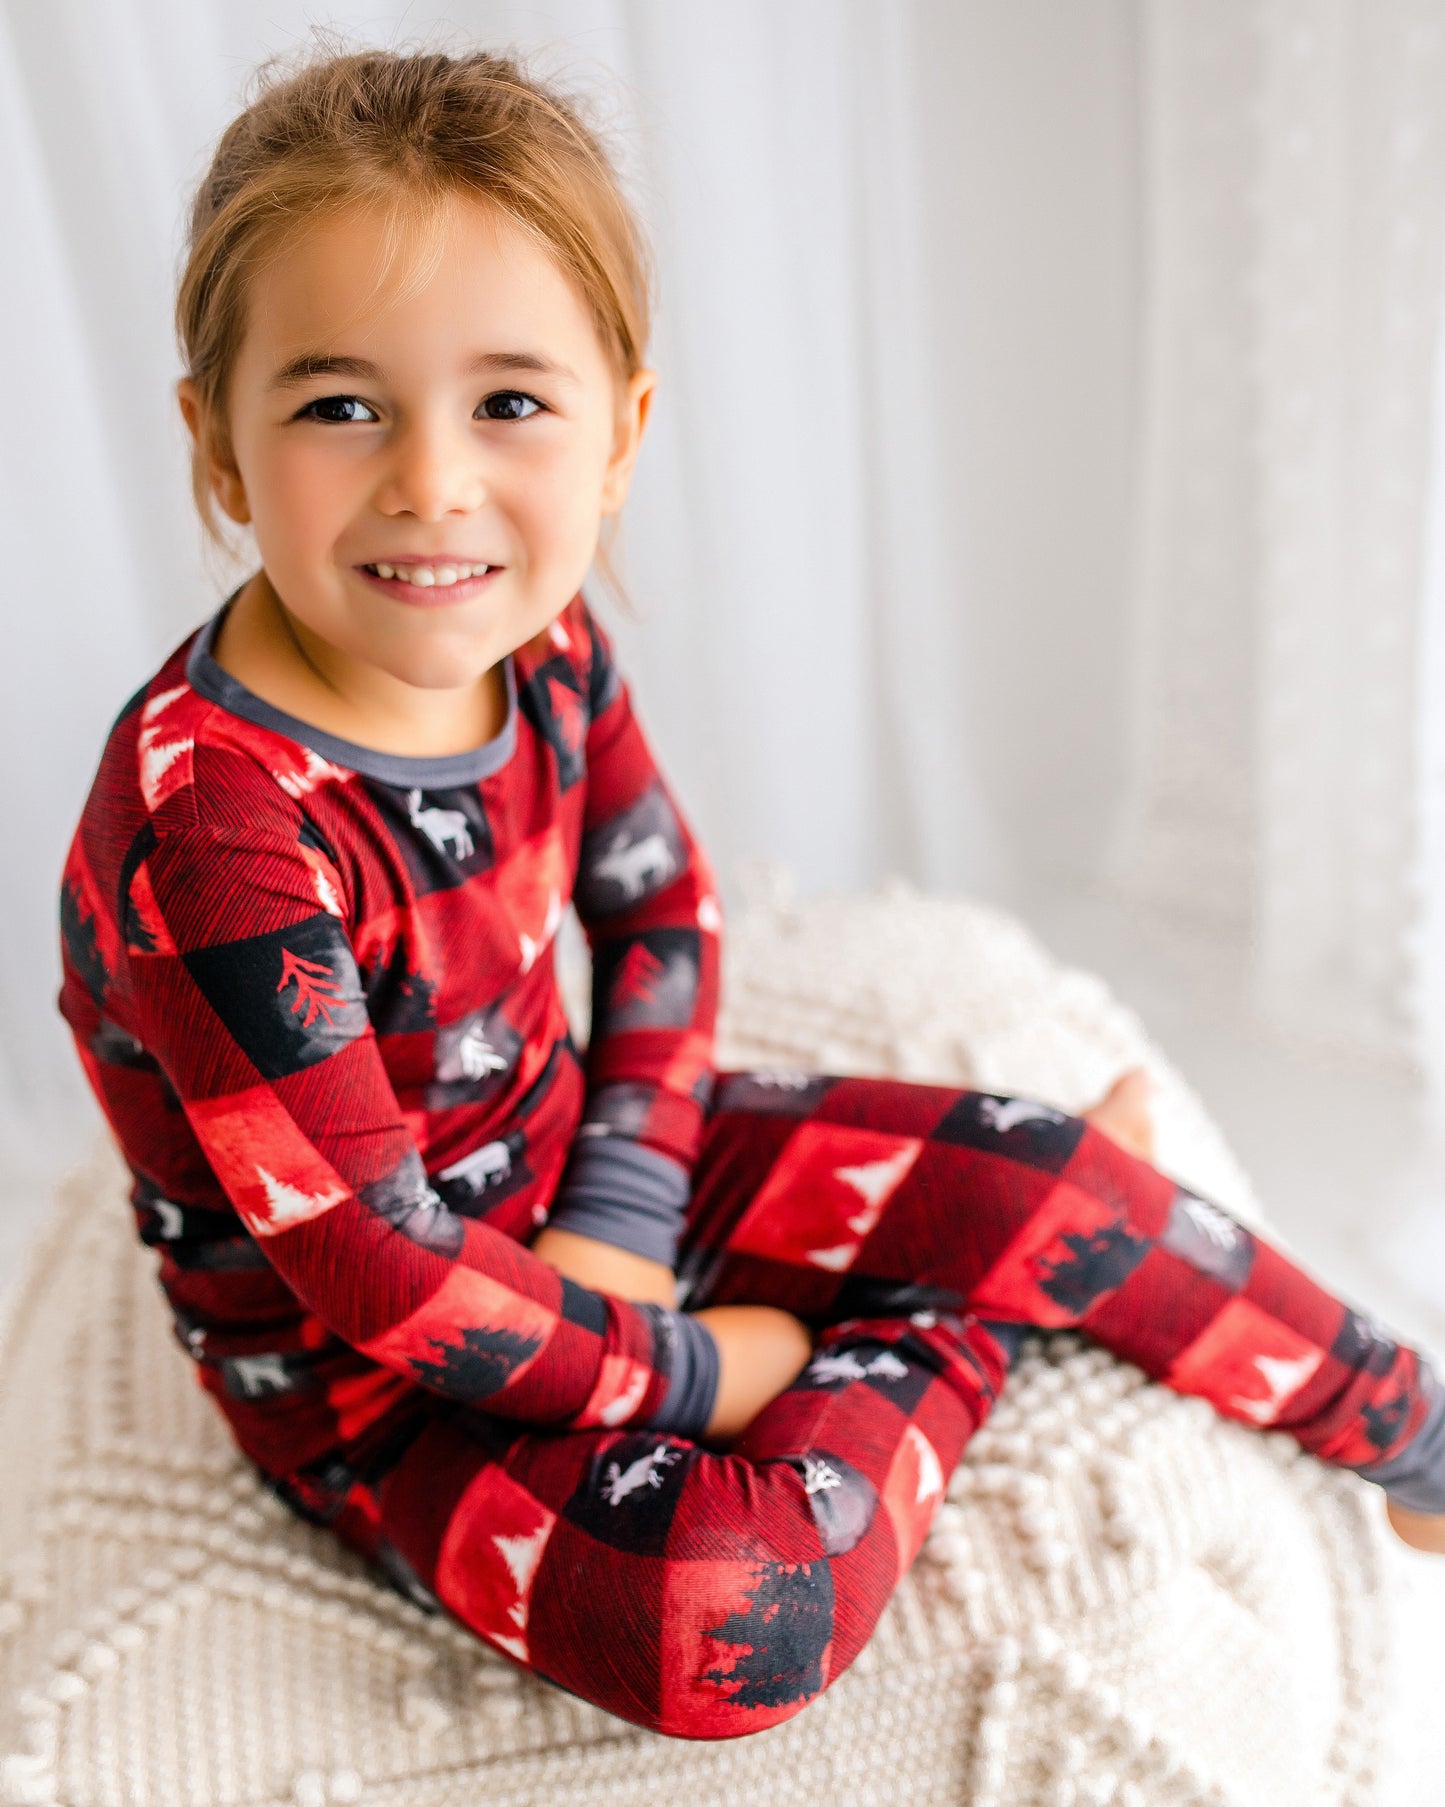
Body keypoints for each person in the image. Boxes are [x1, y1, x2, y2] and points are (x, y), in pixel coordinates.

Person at [56, 42, 1445, 1743]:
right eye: (341, 403)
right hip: (378, 1390)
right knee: (725, 1619)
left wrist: (626, 1216)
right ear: (216, 440)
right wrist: (717, 1372)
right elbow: (385, 1278)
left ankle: (1416, 1434)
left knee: (1037, 1161)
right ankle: (958, 1326)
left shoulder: (530, 631)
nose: (433, 480)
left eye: (508, 401)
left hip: (579, 1178)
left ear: (621, 432)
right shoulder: (215, 835)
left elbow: (659, 912)